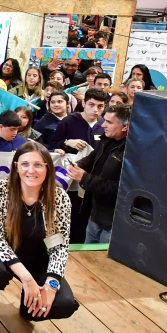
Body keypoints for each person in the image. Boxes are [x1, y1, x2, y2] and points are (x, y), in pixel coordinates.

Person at [0, 142, 79, 328]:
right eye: (25, 164)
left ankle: (29, 307)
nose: (31, 170)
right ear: (16, 166)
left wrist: (51, 285)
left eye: (38, 164)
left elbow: (60, 246)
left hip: (38, 255)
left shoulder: (60, 197)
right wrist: (27, 278)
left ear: (48, 167)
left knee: (64, 304)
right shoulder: (0, 190)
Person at [68, 103, 129, 244]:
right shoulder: (107, 139)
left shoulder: (132, 153)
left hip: (113, 222)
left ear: (125, 127)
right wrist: (78, 165)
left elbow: (119, 188)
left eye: (109, 122)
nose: (103, 125)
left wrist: (84, 178)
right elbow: (93, 157)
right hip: (94, 215)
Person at [48, 87, 107, 153]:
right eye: (91, 105)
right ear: (83, 103)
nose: (95, 110)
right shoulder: (68, 121)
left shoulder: (104, 124)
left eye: (100, 106)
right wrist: (67, 142)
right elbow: (52, 146)